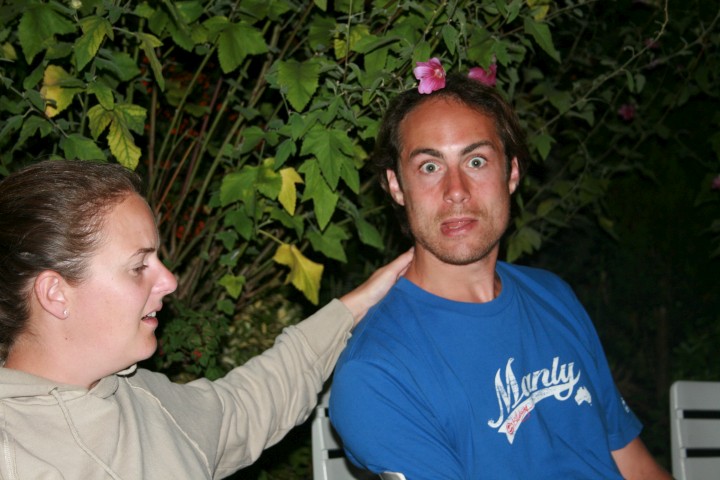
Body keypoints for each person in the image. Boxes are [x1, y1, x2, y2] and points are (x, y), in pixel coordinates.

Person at [328, 72, 671, 479]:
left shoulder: (553, 296)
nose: (456, 190)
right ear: (396, 186)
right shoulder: (377, 373)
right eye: (429, 166)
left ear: (511, 173)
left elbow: (634, 465)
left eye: (476, 161)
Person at [0, 159, 412, 479]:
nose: (169, 281)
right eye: (139, 266)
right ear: (56, 294)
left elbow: (251, 403)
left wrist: (359, 304)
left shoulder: (145, 402)